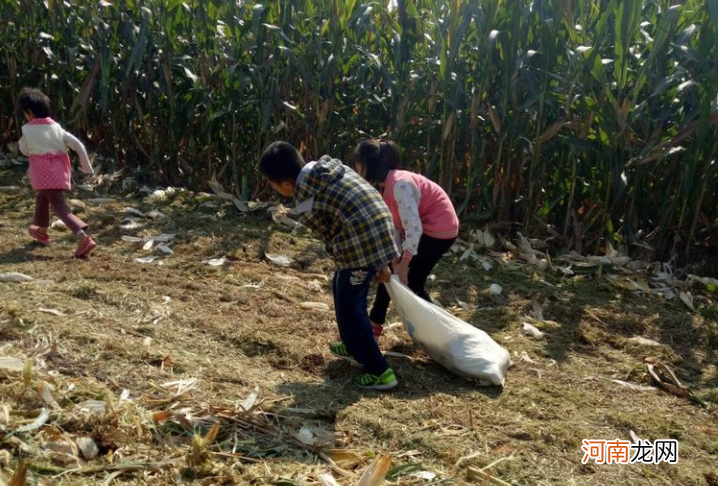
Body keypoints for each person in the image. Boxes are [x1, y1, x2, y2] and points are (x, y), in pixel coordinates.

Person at [259, 141, 399, 390]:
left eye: (274, 186)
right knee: (340, 287)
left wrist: (370, 263)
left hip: (359, 244)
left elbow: (329, 235)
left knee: (351, 308)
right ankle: (352, 344)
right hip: (379, 227)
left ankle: (379, 370)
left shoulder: (306, 200)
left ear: (287, 185)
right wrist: (378, 259)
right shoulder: (326, 168)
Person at [352, 139, 459, 337]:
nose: (356, 169)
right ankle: (443, 331)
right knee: (415, 282)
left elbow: (414, 227)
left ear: (368, 165)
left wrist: (403, 262)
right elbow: (396, 225)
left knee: (392, 275)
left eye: (358, 164)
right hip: (439, 231)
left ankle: (373, 326)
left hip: (436, 231)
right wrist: (395, 256)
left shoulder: (400, 185)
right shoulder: (388, 185)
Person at [17, 88, 96, 257]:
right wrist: (86, 167)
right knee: (43, 199)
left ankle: (83, 238)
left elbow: (23, 149)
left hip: (43, 175)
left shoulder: (28, 130)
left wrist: (36, 148)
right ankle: (41, 231)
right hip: (59, 172)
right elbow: (78, 145)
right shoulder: (57, 128)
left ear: (29, 112)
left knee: (60, 207)